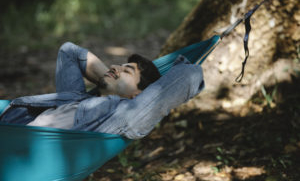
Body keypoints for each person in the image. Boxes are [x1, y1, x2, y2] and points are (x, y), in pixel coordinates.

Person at [0, 42, 205, 139]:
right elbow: (69, 52)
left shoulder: (124, 116)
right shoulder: (77, 98)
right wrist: (112, 77)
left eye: (128, 71)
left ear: (139, 94)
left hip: (15, 146)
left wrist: (118, 85)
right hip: (9, 124)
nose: (115, 67)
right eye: (118, 66)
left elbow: (189, 75)